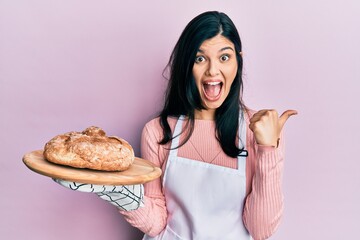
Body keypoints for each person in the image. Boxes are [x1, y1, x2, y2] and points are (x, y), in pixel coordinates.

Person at [55, 11, 297, 240]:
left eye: (224, 57)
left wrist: (267, 149)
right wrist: (115, 191)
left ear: (238, 61)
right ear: (186, 65)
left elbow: (261, 228)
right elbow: (158, 221)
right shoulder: (158, 132)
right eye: (200, 58)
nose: (213, 70)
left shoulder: (260, 130)